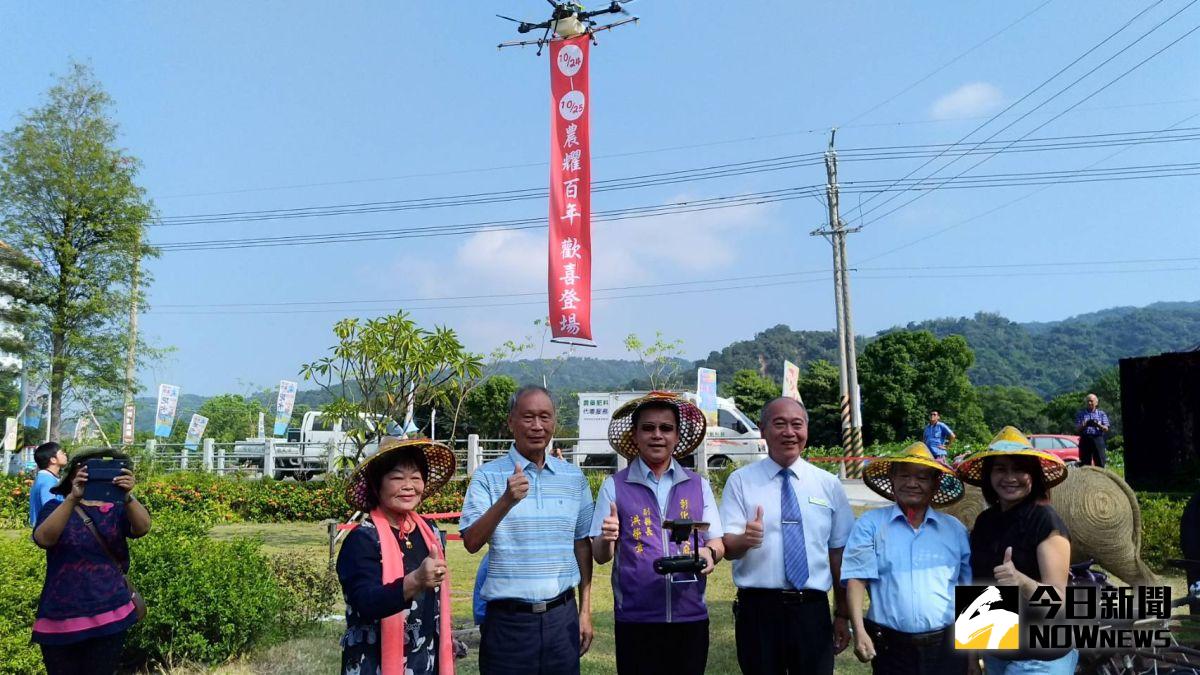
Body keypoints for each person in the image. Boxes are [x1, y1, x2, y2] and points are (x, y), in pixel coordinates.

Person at [460, 385, 595, 675]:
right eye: (528, 417)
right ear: (511, 422)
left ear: (554, 422)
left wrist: (585, 611)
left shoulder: (574, 478)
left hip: (562, 619)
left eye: (545, 417)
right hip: (508, 624)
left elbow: (582, 544)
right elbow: (471, 542)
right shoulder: (487, 476)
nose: (537, 426)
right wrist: (506, 501)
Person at [591, 392, 725, 675]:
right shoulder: (614, 486)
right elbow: (601, 556)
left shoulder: (698, 485)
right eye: (648, 428)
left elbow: (717, 540)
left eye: (666, 428)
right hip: (636, 619)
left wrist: (710, 553)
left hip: (690, 615)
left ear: (676, 436)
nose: (657, 435)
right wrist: (607, 537)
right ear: (635, 435)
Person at [721, 397, 855, 674]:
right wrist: (745, 540)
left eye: (797, 424)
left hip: (812, 610)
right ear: (762, 430)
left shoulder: (828, 484)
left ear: (807, 429)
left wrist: (842, 614)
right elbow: (728, 548)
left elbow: (839, 554)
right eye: (779, 424)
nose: (789, 432)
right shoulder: (741, 481)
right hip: (758, 610)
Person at [842, 442, 972, 675]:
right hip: (891, 646)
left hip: (946, 646)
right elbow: (856, 578)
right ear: (892, 479)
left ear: (935, 484)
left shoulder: (955, 530)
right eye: (904, 475)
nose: (912, 483)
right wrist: (859, 631)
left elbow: (970, 588)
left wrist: (973, 655)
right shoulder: (870, 525)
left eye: (922, 477)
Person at [956, 426, 1074, 674]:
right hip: (996, 653)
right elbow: (978, 589)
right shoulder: (985, 521)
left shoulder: (1044, 520)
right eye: (1000, 469)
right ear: (989, 475)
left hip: (1040, 659)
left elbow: (1060, 603)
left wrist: (1022, 582)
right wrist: (972, 656)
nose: (1010, 477)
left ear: (1033, 476)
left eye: (1019, 469)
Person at [338, 437, 457, 675]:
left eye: (416, 477)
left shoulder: (429, 532)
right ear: (376, 485)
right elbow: (365, 603)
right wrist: (415, 581)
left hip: (425, 661)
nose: (409, 486)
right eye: (397, 478)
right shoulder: (362, 539)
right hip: (373, 663)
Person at [31, 448, 152, 675]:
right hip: (60, 618)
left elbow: (143, 527)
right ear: (73, 474)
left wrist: (127, 497)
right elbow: (44, 539)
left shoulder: (117, 509)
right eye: (88, 468)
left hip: (110, 614)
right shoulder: (55, 508)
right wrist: (72, 498)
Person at [29, 441, 67, 526]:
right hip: (49, 530)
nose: (65, 454)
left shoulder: (46, 477)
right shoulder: (47, 481)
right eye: (61, 453)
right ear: (53, 460)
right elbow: (50, 511)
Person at [1074, 394, 1110, 468]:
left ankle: (1100, 475)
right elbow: (1077, 429)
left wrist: (1098, 425)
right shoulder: (1081, 414)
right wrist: (1084, 425)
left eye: (1091, 401)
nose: (1089, 403)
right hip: (1085, 439)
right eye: (1088, 401)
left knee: (1100, 462)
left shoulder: (1101, 414)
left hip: (1098, 438)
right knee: (1084, 464)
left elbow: (1106, 428)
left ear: (1096, 403)